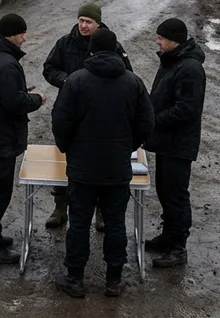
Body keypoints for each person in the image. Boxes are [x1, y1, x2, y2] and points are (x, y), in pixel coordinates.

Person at [50, 29, 154, 298]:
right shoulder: (133, 83)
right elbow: (146, 123)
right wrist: (128, 146)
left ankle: (74, 278)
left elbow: (61, 120)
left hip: (82, 167)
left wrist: (67, 147)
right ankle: (114, 280)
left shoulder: (75, 81)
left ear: (91, 50)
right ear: (117, 50)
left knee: (79, 222)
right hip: (117, 167)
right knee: (115, 222)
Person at [41, 3, 132, 229]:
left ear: (97, 23)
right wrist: (66, 80)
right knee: (64, 158)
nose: (83, 25)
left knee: (98, 164)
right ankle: (60, 206)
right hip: (70, 111)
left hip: (101, 115)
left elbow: (127, 74)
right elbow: (49, 68)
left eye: (88, 22)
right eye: (81, 20)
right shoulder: (64, 43)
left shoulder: (111, 44)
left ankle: (101, 212)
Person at [0, 13, 46, 264]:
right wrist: (37, 99)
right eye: (22, 33)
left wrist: (17, 91)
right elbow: (14, 103)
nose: (25, 37)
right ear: (11, 34)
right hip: (1, 137)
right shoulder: (6, 63)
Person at [143, 17, 207, 268]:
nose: (157, 41)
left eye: (161, 38)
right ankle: (168, 236)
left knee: (176, 195)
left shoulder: (190, 68)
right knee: (165, 191)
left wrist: (154, 120)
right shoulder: (172, 61)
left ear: (174, 41)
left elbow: (188, 110)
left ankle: (178, 246)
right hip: (167, 141)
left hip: (178, 143)